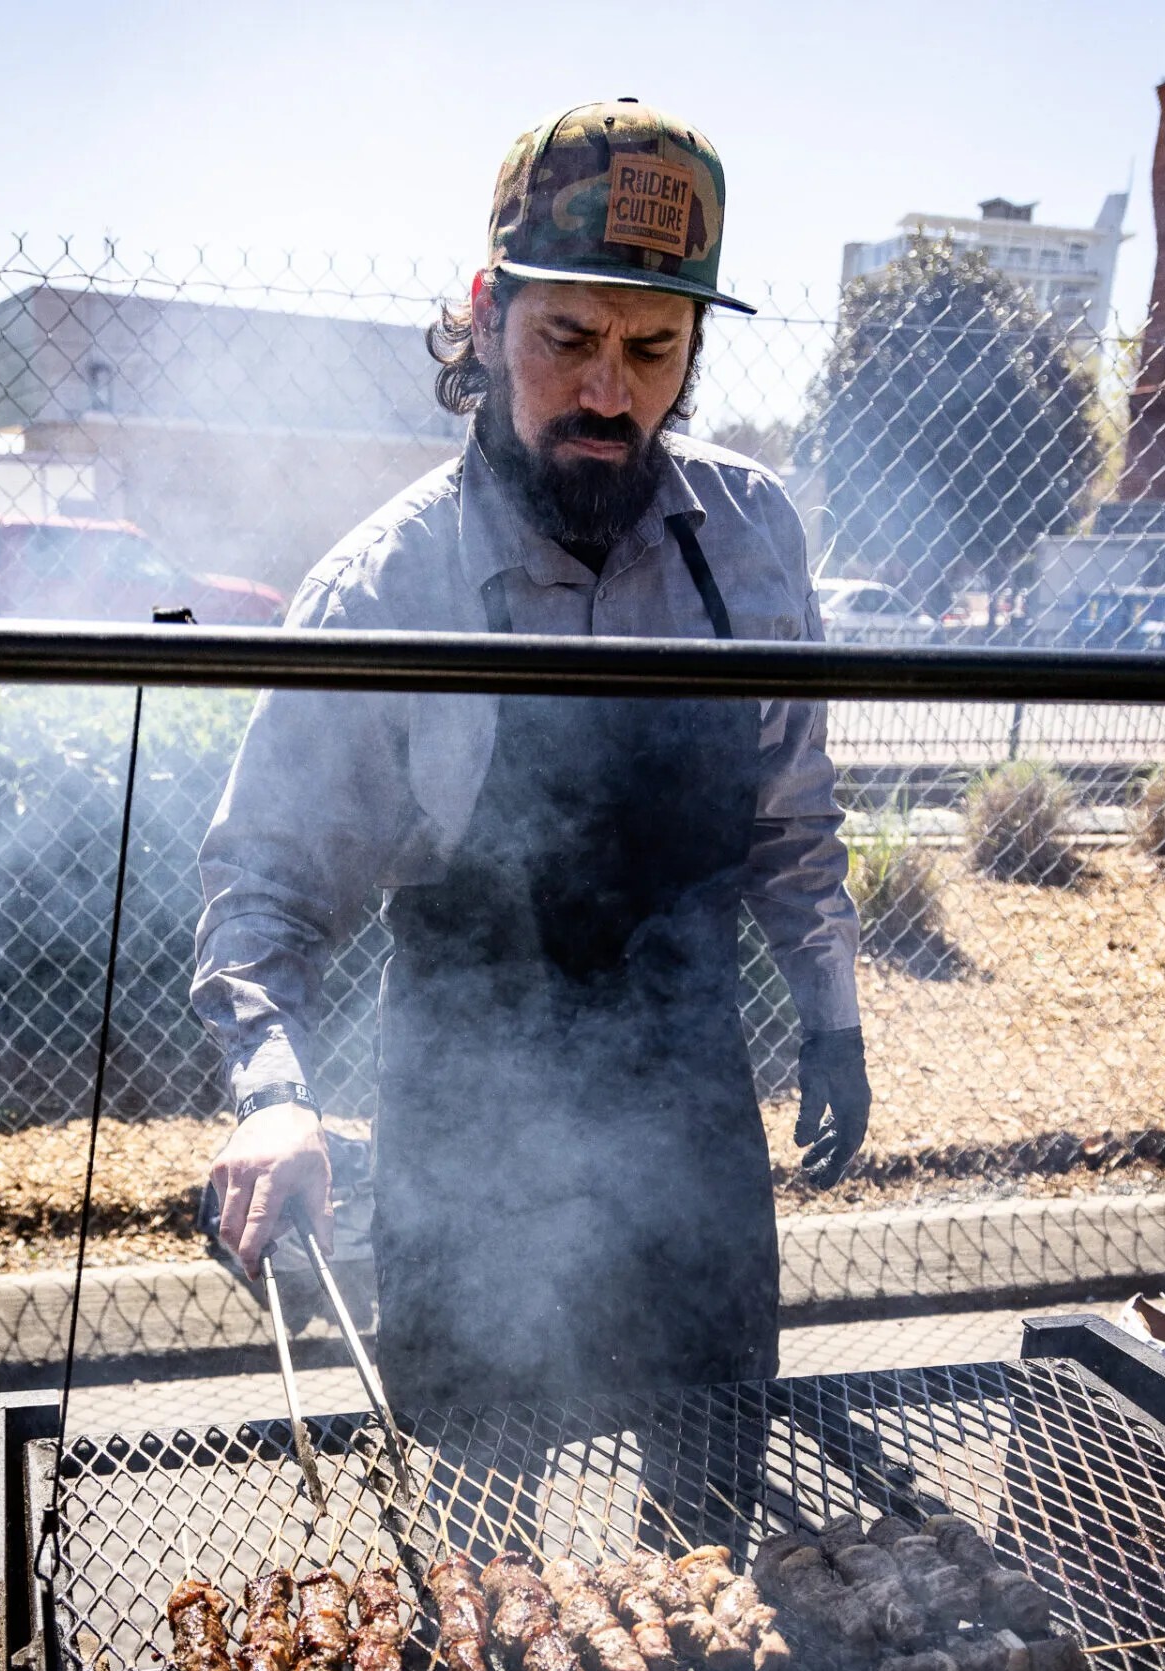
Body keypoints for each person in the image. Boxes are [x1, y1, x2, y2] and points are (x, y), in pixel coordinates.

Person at [193, 101, 869, 1406]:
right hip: (467, 1125)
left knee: (706, 1525)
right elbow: (263, 890)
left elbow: (792, 815)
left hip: (691, 1108)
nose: (610, 392)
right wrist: (277, 1100)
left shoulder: (753, 538)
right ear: (488, 314)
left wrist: (832, 1021)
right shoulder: (385, 591)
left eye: (654, 348)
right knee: (487, 1568)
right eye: (568, 339)